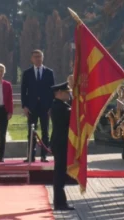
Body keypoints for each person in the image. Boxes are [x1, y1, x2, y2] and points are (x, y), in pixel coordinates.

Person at [21, 49, 55, 162]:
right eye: (35, 56)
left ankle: (44, 156)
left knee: (45, 132)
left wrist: (51, 107)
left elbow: (52, 91)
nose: (37, 58)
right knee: (31, 132)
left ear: (43, 58)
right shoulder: (27, 73)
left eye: (39, 56)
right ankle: (31, 156)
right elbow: (23, 91)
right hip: (32, 108)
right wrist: (24, 106)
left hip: (45, 108)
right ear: (31, 59)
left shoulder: (49, 72)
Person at [49, 82, 74, 211]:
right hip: (61, 143)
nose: (69, 95)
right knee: (59, 173)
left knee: (60, 173)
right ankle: (60, 203)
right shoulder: (60, 107)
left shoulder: (60, 105)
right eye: (66, 92)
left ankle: (60, 202)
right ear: (59, 93)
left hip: (60, 142)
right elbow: (72, 116)